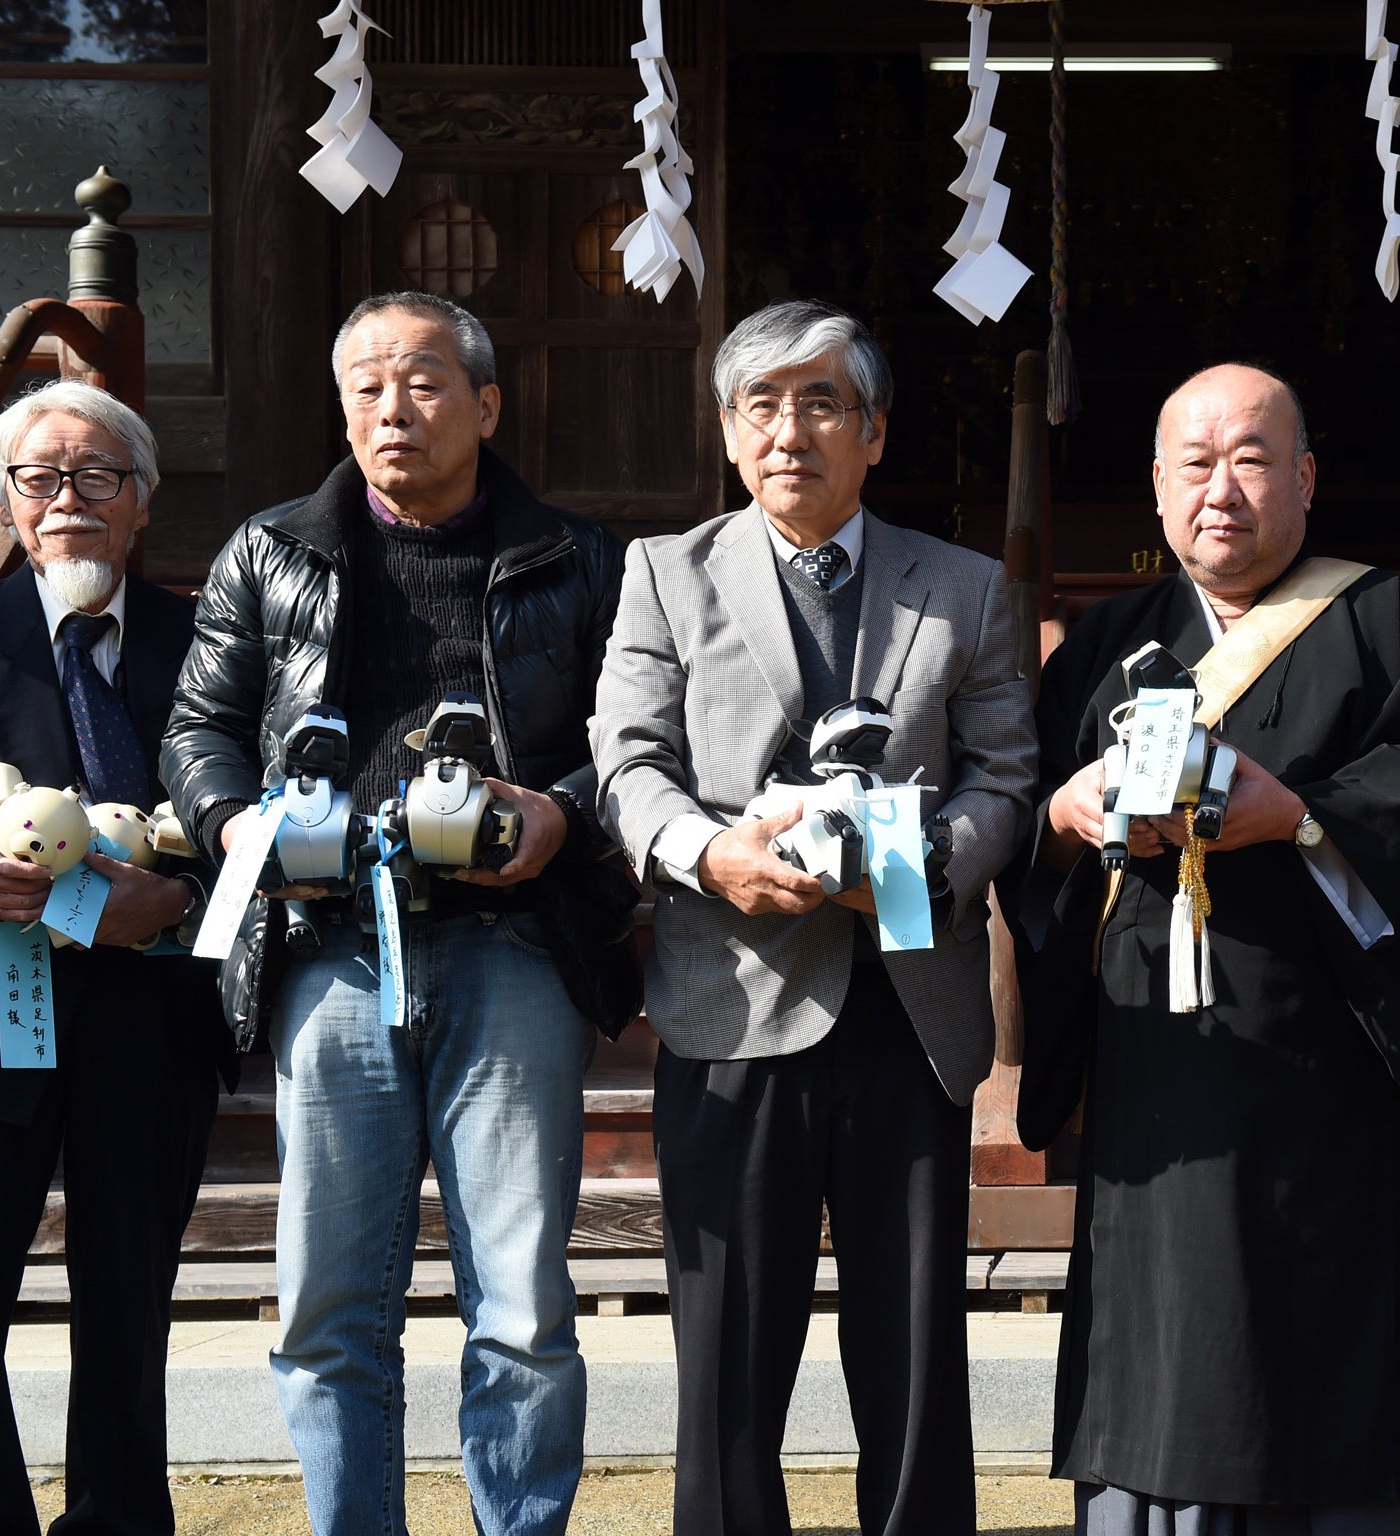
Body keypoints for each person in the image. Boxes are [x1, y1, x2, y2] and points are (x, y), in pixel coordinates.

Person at [160, 292, 637, 1536]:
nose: (390, 408)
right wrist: (235, 830)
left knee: (523, 1304)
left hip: (514, 948)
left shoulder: (580, 560)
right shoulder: (270, 551)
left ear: (485, 404)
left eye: (421, 382)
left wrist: (556, 814)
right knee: (326, 1304)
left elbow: (637, 743)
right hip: (331, 951)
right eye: (365, 385)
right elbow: (198, 729)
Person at [1007, 363, 1400, 1534]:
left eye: (1250, 459)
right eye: (1194, 463)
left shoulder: (1378, 621)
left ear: (1306, 477)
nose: (1219, 490)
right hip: (1151, 1064)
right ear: (1158, 488)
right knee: (1164, 1324)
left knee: (1323, 1326)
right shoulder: (1108, 640)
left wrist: (1299, 814)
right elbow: (1029, 825)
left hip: (1323, 1057)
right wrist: (1064, 821)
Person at [591, 298, 1037, 1536]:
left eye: (821, 402)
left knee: (909, 1334)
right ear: (730, 435)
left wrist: (925, 861)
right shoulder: (662, 577)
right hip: (729, 992)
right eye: (760, 405)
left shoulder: (964, 588)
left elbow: (1008, 776)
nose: (790, 432)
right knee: (726, 1340)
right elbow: (628, 769)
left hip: (910, 994)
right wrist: (708, 855)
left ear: (874, 432)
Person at [0, 381, 233, 1533]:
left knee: (129, 1301)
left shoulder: (208, 646)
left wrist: (177, 899)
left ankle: (121, 1519)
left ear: (141, 504)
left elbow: (256, 821)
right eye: (40, 478)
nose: (68, 499)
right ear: (10, 501)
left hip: (150, 1019)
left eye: (97, 477)